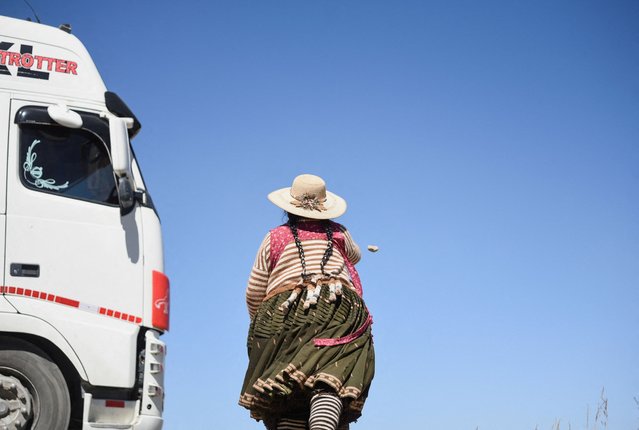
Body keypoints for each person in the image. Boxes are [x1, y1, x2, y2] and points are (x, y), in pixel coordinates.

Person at [239, 174, 375, 430]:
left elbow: (255, 290)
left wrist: (264, 329)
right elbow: (355, 257)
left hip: (284, 314)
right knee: (330, 376)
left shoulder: (274, 237)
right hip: (338, 309)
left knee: (285, 388)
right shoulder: (337, 232)